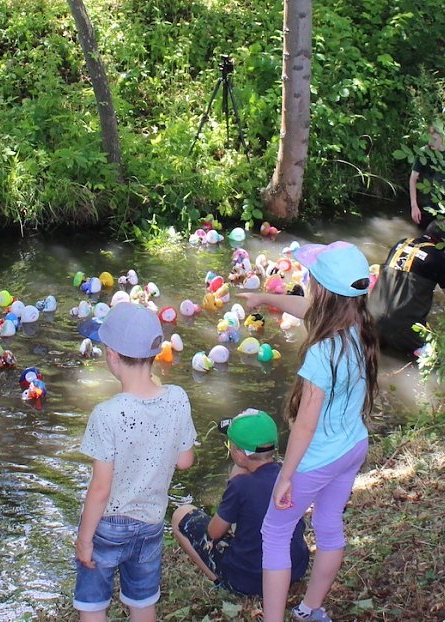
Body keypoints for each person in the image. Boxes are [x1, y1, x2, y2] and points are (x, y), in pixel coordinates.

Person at [239, 241, 378, 622]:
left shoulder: (322, 352)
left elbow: (305, 424)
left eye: (311, 280)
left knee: (275, 532)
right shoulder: (360, 326)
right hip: (353, 447)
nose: (308, 286)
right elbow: (306, 310)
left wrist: (285, 477)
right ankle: (310, 609)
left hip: (318, 458)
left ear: (322, 289)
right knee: (329, 525)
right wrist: (263, 298)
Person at [73, 302, 197, 622]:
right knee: (142, 602)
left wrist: (85, 539)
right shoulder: (177, 398)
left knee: (93, 603)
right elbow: (185, 460)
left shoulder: (107, 414)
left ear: (111, 356)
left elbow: (101, 489)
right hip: (151, 523)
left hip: (108, 525)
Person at [171, 409, 309, 597]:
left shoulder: (240, 485)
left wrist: (231, 484)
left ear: (239, 454)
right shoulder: (290, 475)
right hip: (294, 569)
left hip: (249, 580)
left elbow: (213, 532)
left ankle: (221, 582)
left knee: (181, 514)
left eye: (230, 444)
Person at [367, 217, 445, 355]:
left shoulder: (401, 243)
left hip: (370, 323)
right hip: (403, 332)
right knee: (433, 353)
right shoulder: (439, 257)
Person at [409, 123, 445, 230]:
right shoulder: (423, 153)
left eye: (434, 139)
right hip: (426, 208)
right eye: (429, 138)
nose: (431, 142)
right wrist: (414, 206)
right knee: (425, 241)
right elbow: (413, 179)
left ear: (442, 137)